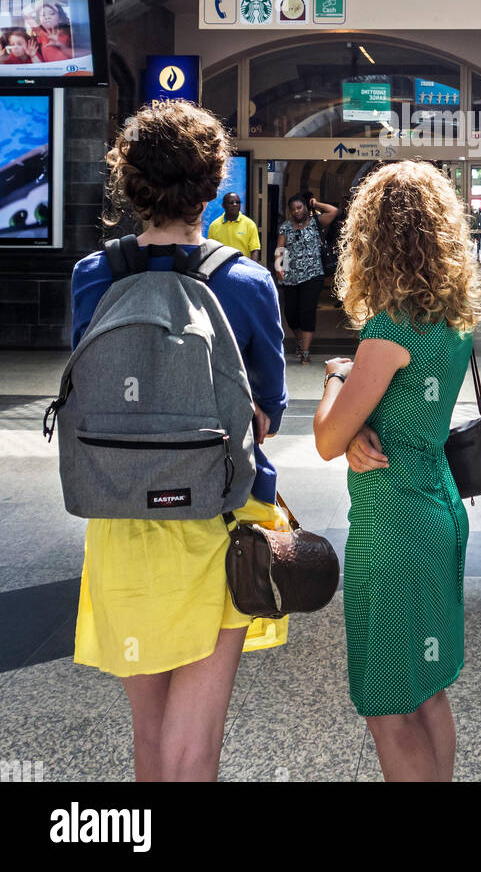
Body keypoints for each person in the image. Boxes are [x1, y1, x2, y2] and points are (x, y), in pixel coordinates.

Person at [70, 100, 288, 782]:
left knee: (150, 740)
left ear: (130, 182)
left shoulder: (92, 276)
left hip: (119, 516)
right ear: (212, 185)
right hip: (216, 521)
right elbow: (268, 412)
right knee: (195, 745)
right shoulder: (247, 281)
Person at [313, 160, 481, 782]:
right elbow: (404, 412)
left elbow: (328, 439)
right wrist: (366, 423)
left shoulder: (386, 333)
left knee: (388, 708)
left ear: (372, 237)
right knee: (430, 689)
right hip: (439, 506)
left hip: (393, 525)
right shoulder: (453, 323)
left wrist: (334, 376)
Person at [274, 191, 338, 363]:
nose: (296, 211)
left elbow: (333, 211)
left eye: (300, 207)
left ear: (305, 207)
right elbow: (281, 249)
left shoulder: (316, 222)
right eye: (293, 209)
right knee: (291, 313)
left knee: (307, 312)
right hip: (290, 277)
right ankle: (300, 340)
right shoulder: (285, 227)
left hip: (313, 275)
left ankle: (305, 351)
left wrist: (315, 204)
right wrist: (279, 267)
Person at [208, 191, 261, 262]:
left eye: (238, 202)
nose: (235, 205)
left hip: (243, 268)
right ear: (223, 205)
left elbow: (254, 249)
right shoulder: (214, 226)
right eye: (231, 203)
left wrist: (254, 269)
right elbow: (211, 251)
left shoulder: (249, 224)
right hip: (222, 268)